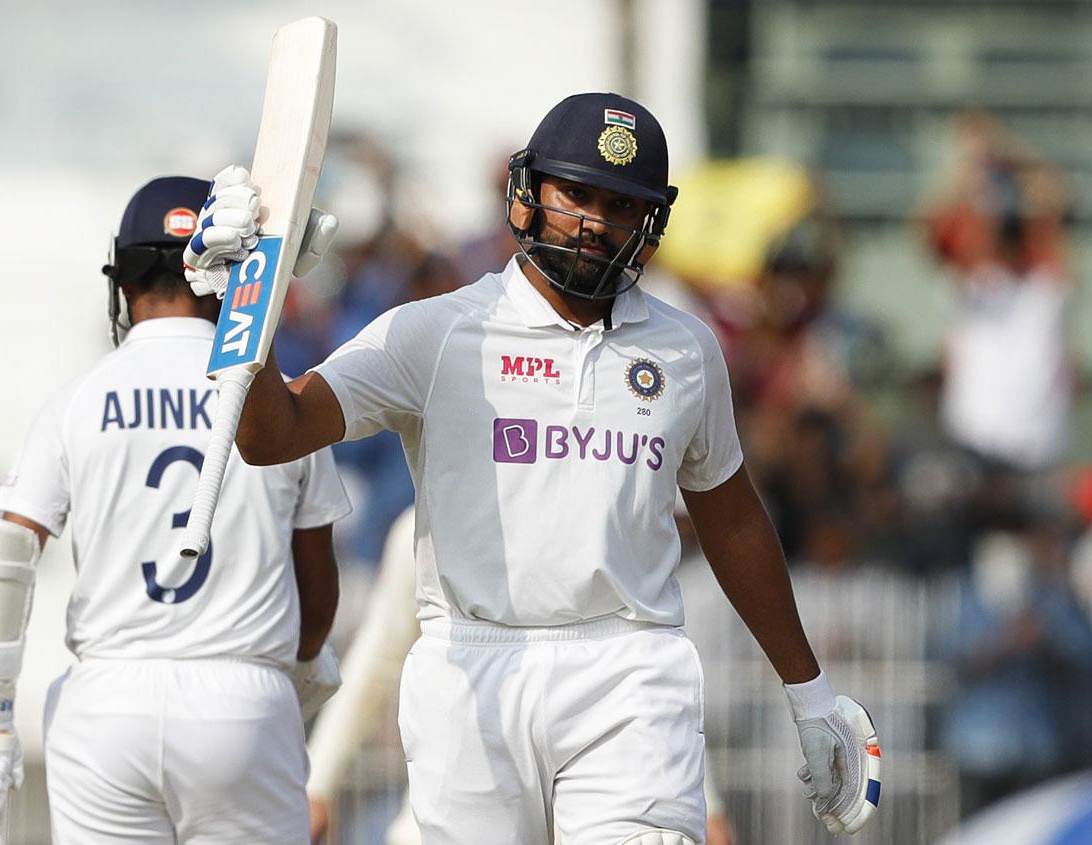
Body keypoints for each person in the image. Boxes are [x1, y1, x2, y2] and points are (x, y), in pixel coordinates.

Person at [185, 93, 881, 844]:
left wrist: (809, 693)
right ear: (529, 192)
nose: (592, 220)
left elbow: (735, 517)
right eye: (575, 192)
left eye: (620, 203)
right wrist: (242, 302)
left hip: (629, 667)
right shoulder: (437, 332)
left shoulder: (686, 349)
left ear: (650, 222)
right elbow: (269, 432)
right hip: (470, 666)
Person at [0, 176, 352, 844]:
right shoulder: (278, 403)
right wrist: (289, 673)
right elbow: (317, 583)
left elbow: (7, 551)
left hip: (107, 705)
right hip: (241, 700)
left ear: (122, 283)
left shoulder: (79, 400)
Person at [306, 506, 737, 845]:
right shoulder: (422, 527)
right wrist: (317, 783)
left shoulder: (597, 520)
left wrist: (706, 801)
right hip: (456, 811)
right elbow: (377, 662)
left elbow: (639, 659)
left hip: (584, 819)